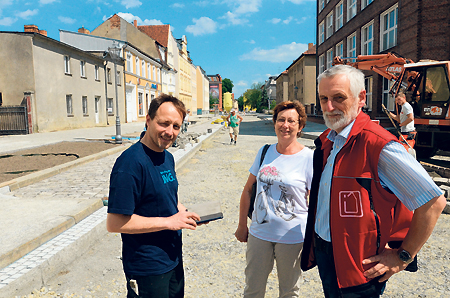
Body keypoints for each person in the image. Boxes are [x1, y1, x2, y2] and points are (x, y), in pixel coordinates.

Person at [300, 65, 446, 298]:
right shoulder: (330, 141)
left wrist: (403, 256)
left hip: (360, 268)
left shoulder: (379, 146)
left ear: (361, 98)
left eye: (338, 98)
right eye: (323, 98)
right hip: (328, 253)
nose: (328, 107)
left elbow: (433, 202)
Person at [107, 94, 201, 298]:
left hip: (172, 257)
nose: (170, 132)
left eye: (176, 126)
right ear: (148, 120)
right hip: (147, 266)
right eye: (164, 123)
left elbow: (167, 196)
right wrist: (169, 222)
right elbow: (115, 223)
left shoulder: (167, 157)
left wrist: (183, 212)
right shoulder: (130, 164)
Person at [235, 101, 314, 298]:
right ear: (275, 123)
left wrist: (314, 237)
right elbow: (247, 190)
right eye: (281, 120)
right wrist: (242, 225)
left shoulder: (309, 158)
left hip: (292, 237)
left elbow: (314, 202)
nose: (285, 125)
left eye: (291, 121)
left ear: (300, 126)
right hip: (259, 233)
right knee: (252, 289)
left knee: (289, 291)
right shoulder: (265, 152)